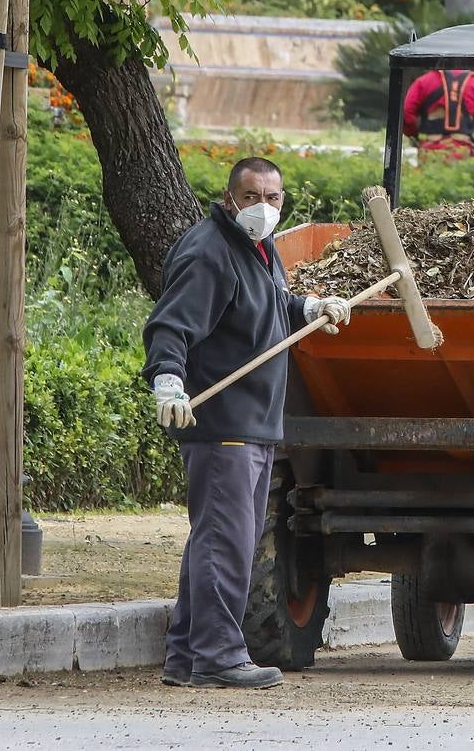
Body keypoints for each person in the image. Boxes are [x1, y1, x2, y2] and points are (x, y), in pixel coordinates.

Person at [142, 157, 352, 689]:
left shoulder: (258, 251)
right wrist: (167, 380)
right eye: (253, 195)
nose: (264, 206)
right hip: (222, 423)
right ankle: (218, 656)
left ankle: (188, 655)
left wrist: (309, 307)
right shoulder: (208, 252)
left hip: (254, 423)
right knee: (228, 542)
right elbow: (171, 324)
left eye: (274, 197)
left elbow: (272, 304)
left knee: (214, 538)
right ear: (229, 197)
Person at [402, 68, 474, 166]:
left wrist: (417, 138)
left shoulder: (424, 82)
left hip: (429, 157)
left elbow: (405, 116)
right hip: (463, 161)